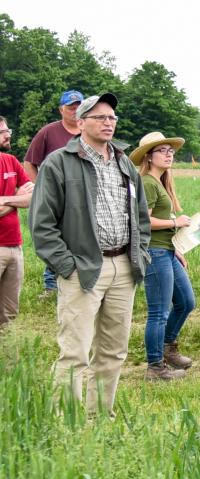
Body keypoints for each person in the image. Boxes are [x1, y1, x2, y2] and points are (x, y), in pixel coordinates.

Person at [29, 93, 150, 417]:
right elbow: (41, 225)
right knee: (75, 352)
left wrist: (140, 254)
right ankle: (67, 424)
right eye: (100, 117)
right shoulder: (59, 162)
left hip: (124, 268)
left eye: (112, 118)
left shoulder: (124, 162)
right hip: (82, 270)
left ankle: (99, 420)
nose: (108, 123)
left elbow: (140, 216)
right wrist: (66, 266)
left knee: (113, 351)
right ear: (80, 123)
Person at [131, 131, 196, 380]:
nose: (169, 155)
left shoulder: (160, 182)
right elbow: (142, 220)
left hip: (167, 250)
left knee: (186, 302)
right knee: (159, 311)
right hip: (154, 253)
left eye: (171, 151)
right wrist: (175, 221)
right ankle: (155, 366)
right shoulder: (147, 182)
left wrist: (176, 248)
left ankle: (168, 347)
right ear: (148, 156)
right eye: (162, 151)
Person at [23, 90, 84, 297]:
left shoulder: (88, 132)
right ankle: (51, 285)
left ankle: (78, 279)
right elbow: (29, 162)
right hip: (56, 196)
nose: (75, 111)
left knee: (78, 237)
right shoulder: (48, 132)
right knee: (54, 236)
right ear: (61, 110)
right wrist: (41, 187)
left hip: (81, 197)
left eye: (79, 106)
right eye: (70, 107)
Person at [0, 115, 34, 327]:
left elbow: (32, 197)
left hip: (15, 246)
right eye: (2, 131)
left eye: (7, 130)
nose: (7, 134)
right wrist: (17, 197)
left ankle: (4, 356)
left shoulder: (10, 161)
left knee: (9, 312)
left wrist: (5, 199)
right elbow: (24, 197)